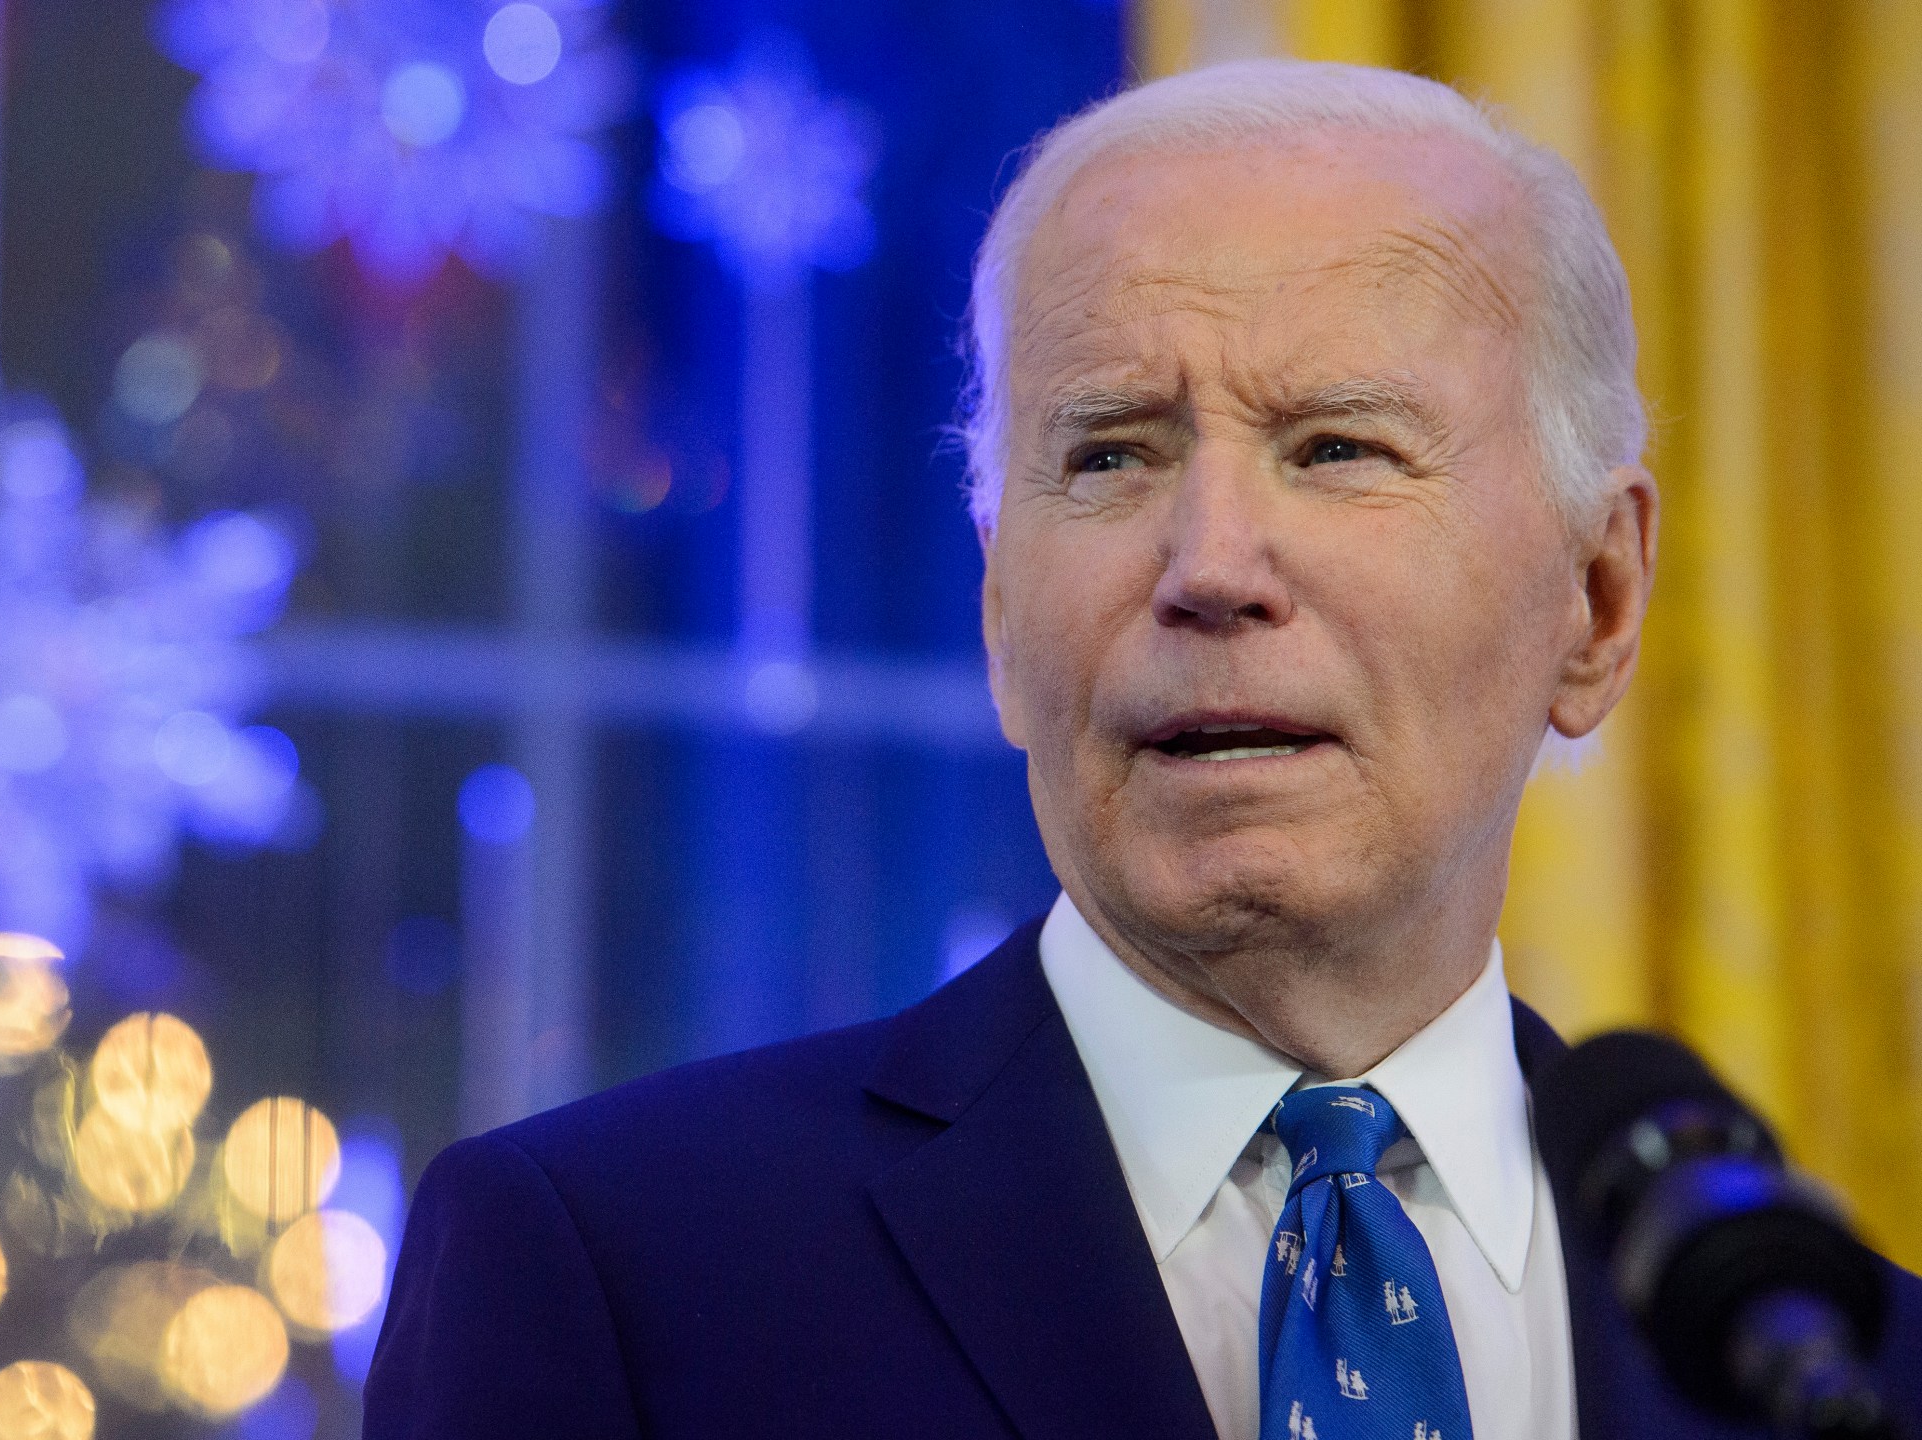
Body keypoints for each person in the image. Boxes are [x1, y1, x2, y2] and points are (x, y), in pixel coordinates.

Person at [362, 59, 1922, 1439]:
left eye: (1337, 447)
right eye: (1110, 453)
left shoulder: (1837, 1367)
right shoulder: (618, 1272)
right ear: (995, 615)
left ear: (1597, 600)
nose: (1210, 563)